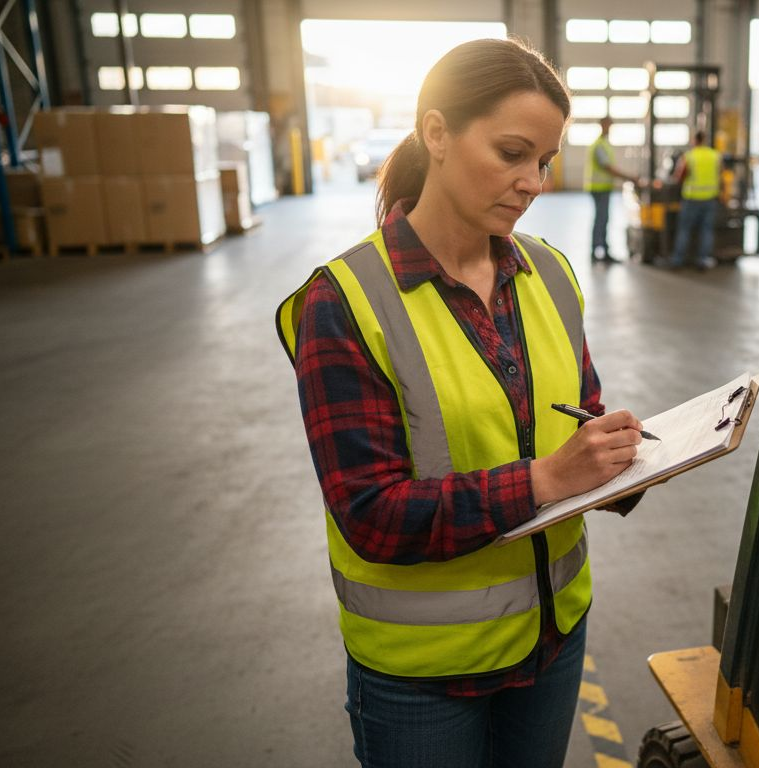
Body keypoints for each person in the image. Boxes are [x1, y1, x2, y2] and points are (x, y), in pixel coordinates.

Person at [275, 38, 646, 768]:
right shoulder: (345, 301)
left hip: (552, 638)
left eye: (542, 161)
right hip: (425, 677)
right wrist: (546, 479)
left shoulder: (551, 273)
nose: (533, 182)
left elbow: (581, 413)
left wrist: (618, 459)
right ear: (436, 133)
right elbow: (371, 515)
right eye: (511, 153)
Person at [584, 116, 638, 263]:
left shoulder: (604, 143)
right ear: (603, 125)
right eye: (609, 126)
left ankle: (603, 250)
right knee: (601, 219)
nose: (610, 129)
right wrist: (629, 177)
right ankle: (597, 251)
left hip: (603, 188)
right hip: (599, 188)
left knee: (604, 218)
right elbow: (608, 167)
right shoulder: (600, 145)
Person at [668, 130, 722, 270]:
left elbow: (679, 177)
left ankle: (677, 261)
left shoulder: (689, 156)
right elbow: (721, 175)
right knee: (706, 230)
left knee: (684, 229)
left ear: (694, 140)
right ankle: (702, 260)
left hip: (691, 198)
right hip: (710, 198)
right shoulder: (715, 155)